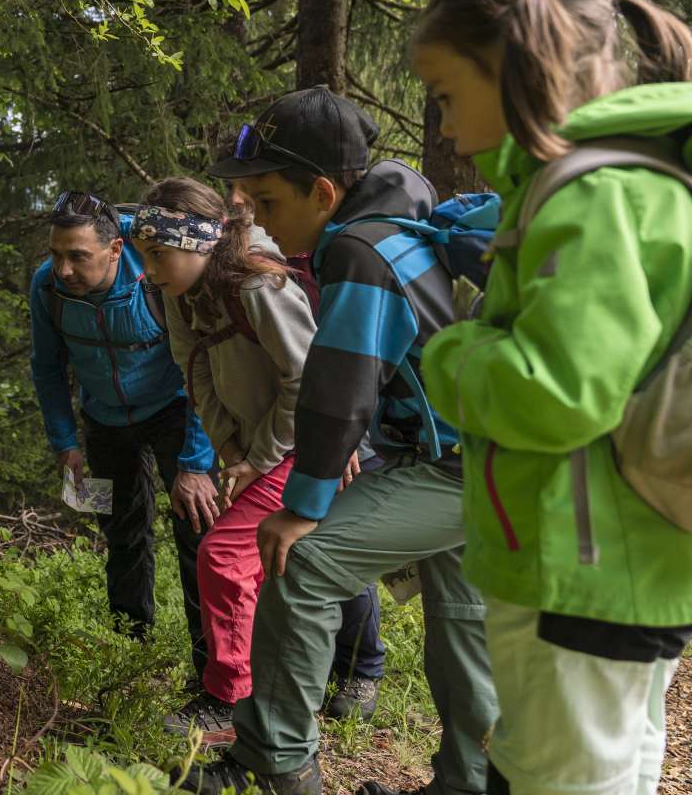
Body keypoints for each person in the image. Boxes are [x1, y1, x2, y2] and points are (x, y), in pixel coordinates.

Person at [414, 0, 692, 795]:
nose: (444, 126)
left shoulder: (590, 193)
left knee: (557, 780)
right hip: (628, 554)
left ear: (513, 67)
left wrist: (449, 354)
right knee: (613, 769)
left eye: (446, 95)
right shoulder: (632, 177)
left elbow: (563, 391)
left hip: (578, 569)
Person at [183, 85, 497, 795]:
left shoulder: (358, 251)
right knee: (464, 622)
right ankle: (470, 783)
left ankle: (273, 765)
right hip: (487, 457)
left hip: (451, 468)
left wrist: (302, 506)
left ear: (323, 192)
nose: (259, 221)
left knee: (301, 559)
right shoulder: (395, 227)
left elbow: (339, 388)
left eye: (268, 202)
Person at [129, 177, 314, 745]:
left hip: (304, 443)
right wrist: (231, 450)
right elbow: (196, 374)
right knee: (260, 566)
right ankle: (265, 693)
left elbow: (307, 380)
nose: (149, 271)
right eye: (144, 256)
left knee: (224, 557)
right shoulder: (179, 293)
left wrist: (259, 459)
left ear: (197, 242)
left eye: (158, 254)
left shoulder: (257, 285)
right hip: (256, 450)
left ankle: (229, 700)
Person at [29, 191, 219, 677]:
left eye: (78, 256)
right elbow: (47, 367)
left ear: (115, 249)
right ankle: (130, 656)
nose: (63, 269)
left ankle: (212, 669)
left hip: (176, 408)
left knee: (198, 532)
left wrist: (197, 463)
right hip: (104, 419)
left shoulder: (156, 272)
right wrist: (64, 441)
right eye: (56, 254)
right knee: (121, 534)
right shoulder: (46, 286)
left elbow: (205, 366)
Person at [227, 180, 389, 721]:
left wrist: (344, 436)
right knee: (304, 549)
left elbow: (349, 353)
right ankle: (310, 676)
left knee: (336, 542)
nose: (242, 205)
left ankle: (362, 670)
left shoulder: (331, 252)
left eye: (255, 196)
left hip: (345, 418)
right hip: (308, 421)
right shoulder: (259, 258)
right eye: (235, 194)